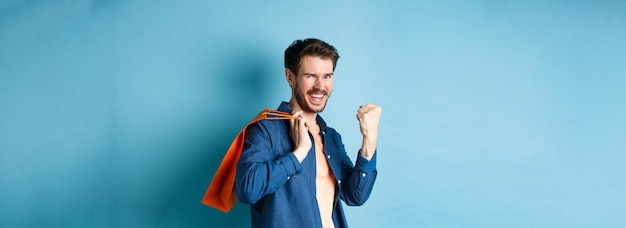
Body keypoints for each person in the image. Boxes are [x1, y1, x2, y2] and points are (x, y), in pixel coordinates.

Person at [235, 38, 381, 228]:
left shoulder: (331, 137)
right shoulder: (265, 129)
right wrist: (299, 152)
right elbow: (247, 190)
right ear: (290, 77)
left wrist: (369, 139)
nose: (321, 86)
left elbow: (355, 195)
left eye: (327, 76)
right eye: (311, 76)